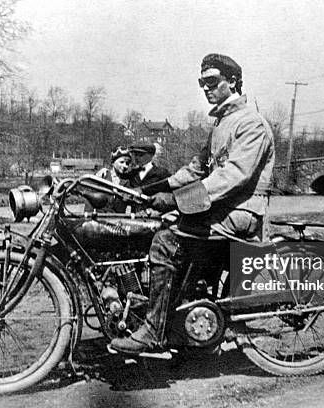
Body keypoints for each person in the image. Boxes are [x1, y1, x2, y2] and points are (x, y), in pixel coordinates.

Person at [109, 53, 275, 354]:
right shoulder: (221, 124)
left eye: (212, 81)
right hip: (222, 209)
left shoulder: (252, 123)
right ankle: (173, 313)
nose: (206, 89)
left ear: (233, 81)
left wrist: (176, 200)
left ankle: (153, 331)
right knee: (154, 227)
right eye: (202, 83)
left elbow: (232, 176)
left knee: (165, 242)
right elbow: (195, 169)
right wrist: (149, 189)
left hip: (242, 211)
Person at [92, 146, 133, 212]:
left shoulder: (127, 181)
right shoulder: (103, 175)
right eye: (121, 162)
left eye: (127, 163)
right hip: (99, 217)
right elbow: (90, 196)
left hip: (118, 219)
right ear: (113, 162)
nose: (125, 166)